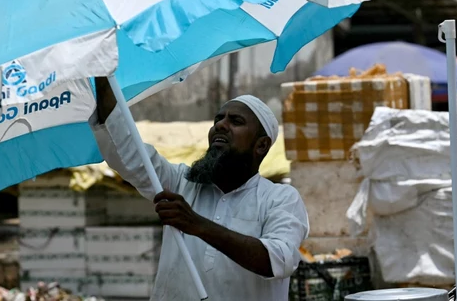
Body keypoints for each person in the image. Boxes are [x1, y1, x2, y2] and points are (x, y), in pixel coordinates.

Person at [90, 77, 309, 300]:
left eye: (236, 121)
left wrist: (197, 224)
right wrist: (102, 75)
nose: (220, 125)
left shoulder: (280, 199)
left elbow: (279, 260)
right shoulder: (181, 183)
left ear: (261, 145)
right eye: (218, 119)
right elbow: (126, 149)